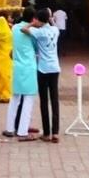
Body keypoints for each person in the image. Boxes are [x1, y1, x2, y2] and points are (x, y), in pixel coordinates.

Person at [3, 6, 39, 140]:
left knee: (15, 99)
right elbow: (36, 46)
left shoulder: (14, 28)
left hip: (17, 66)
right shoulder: (32, 31)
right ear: (33, 18)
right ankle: (23, 131)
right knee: (28, 100)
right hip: (29, 67)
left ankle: (9, 128)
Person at [31, 8, 61, 141]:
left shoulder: (38, 32)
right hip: (55, 68)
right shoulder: (55, 30)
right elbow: (53, 24)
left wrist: (32, 24)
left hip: (43, 69)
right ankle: (55, 133)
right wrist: (49, 18)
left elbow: (23, 29)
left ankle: (46, 133)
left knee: (44, 101)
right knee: (55, 100)